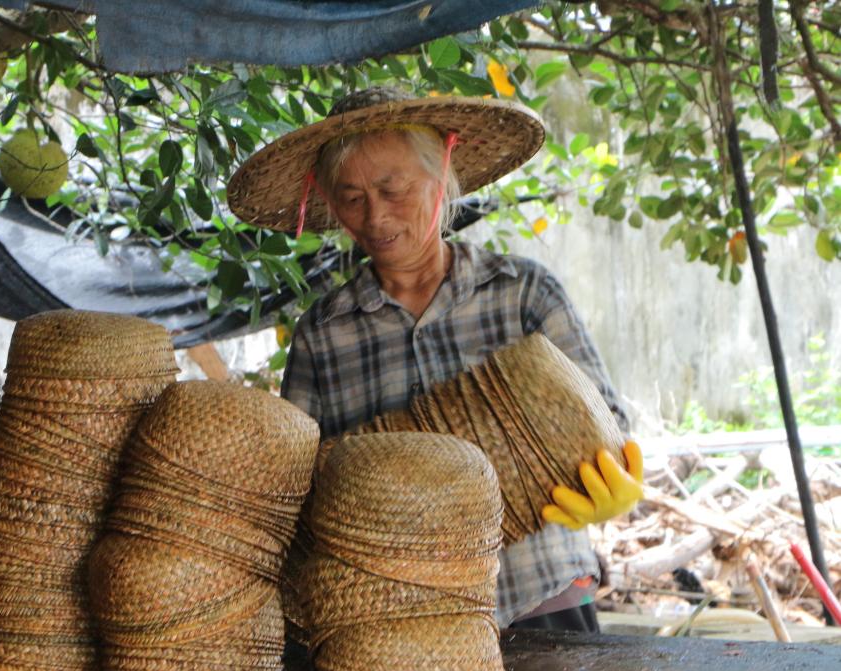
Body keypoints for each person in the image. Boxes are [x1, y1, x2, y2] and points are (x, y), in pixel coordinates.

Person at [227, 87, 643, 631]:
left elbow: (610, 424)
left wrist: (613, 484)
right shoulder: (322, 334)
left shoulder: (522, 292)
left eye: (393, 188)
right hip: (404, 624)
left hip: (540, 595)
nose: (376, 216)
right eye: (352, 198)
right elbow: (299, 490)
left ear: (442, 175)